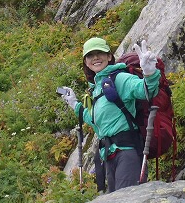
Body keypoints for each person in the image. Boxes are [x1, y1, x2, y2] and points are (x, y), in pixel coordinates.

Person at [60, 37, 160, 193]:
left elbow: (145, 91)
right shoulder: (96, 89)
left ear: (109, 57)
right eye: (90, 55)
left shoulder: (119, 78)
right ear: (86, 62)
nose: (95, 58)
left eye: (100, 53)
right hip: (109, 156)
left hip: (128, 153)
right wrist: (74, 103)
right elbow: (95, 121)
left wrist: (149, 74)